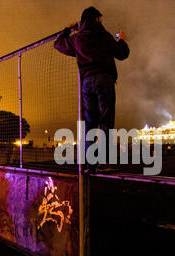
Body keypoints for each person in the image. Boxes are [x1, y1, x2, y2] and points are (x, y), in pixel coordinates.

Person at [54, 7, 130, 173]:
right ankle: (103, 162)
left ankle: (90, 165)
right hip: (105, 79)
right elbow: (122, 53)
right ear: (96, 19)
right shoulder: (105, 36)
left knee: (89, 123)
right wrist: (122, 40)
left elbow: (58, 44)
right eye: (100, 19)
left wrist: (69, 29)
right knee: (105, 121)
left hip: (87, 82)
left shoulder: (77, 39)